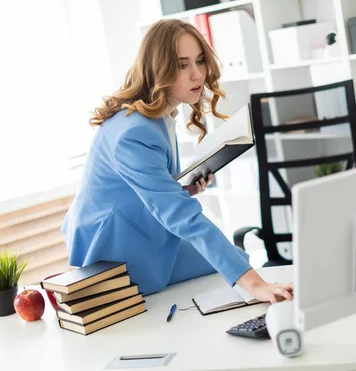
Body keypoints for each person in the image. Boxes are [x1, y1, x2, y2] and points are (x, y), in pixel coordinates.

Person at [62, 19, 293, 304]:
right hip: (116, 251)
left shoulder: (157, 115)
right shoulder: (135, 133)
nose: (197, 75)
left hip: (138, 225)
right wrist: (256, 285)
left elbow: (143, 191)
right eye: (183, 65)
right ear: (159, 69)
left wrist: (184, 190)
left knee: (236, 259)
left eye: (199, 61)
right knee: (238, 270)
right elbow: (180, 215)